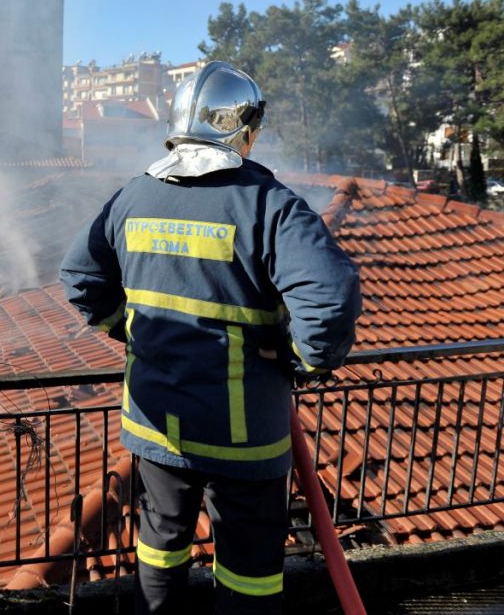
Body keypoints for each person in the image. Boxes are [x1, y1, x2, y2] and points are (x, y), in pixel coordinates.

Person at [60, 61, 360, 615]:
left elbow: (80, 277)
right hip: (243, 433)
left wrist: (132, 331)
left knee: (159, 545)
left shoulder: (132, 196)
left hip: (155, 426)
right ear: (243, 131)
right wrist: (300, 359)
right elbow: (331, 298)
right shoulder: (268, 203)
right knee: (250, 569)